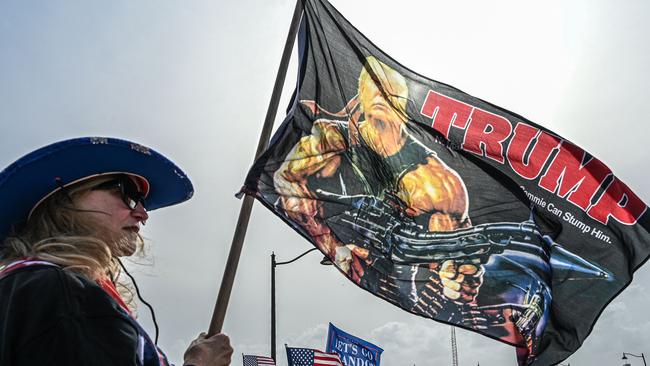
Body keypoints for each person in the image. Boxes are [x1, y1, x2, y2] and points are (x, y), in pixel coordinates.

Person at [273, 56, 483, 319]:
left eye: (391, 108)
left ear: (404, 109)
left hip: (395, 265)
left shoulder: (435, 184)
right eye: (374, 110)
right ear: (358, 105)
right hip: (354, 244)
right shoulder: (332, 140)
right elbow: (284, 186)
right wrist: (334, 244)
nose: (381, 122)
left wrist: (457, 279)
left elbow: (455, 260)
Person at [0, 137, 233, 366]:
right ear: (65, 200)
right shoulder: (59, 291)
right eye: (127, 194)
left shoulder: (35, 289)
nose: (143, 213)